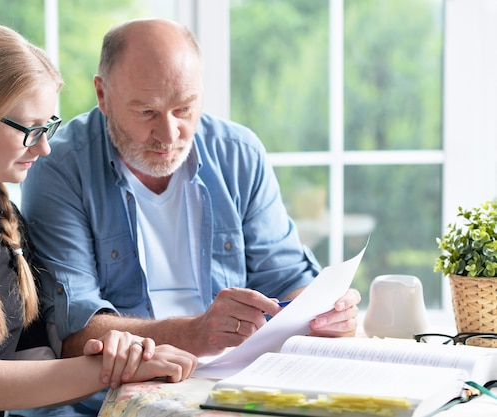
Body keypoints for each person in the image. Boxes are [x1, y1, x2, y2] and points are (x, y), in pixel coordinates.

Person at [20, 18, 361, 417]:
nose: (168, 134)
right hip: (111, 397)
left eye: (184, 109)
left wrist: (324, 314)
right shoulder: (60, 165)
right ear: (103, 94)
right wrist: (196, 334)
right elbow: (75, 333)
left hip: (234, 385)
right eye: (147, 112)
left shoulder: (239, 152)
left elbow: (287, 280)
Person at [0, 24, 197, 417]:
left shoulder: (4, 218)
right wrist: (104, 371)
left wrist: (120, 355)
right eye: (30, 129)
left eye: (49, 126)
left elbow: (33, 363)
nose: (44, 147)